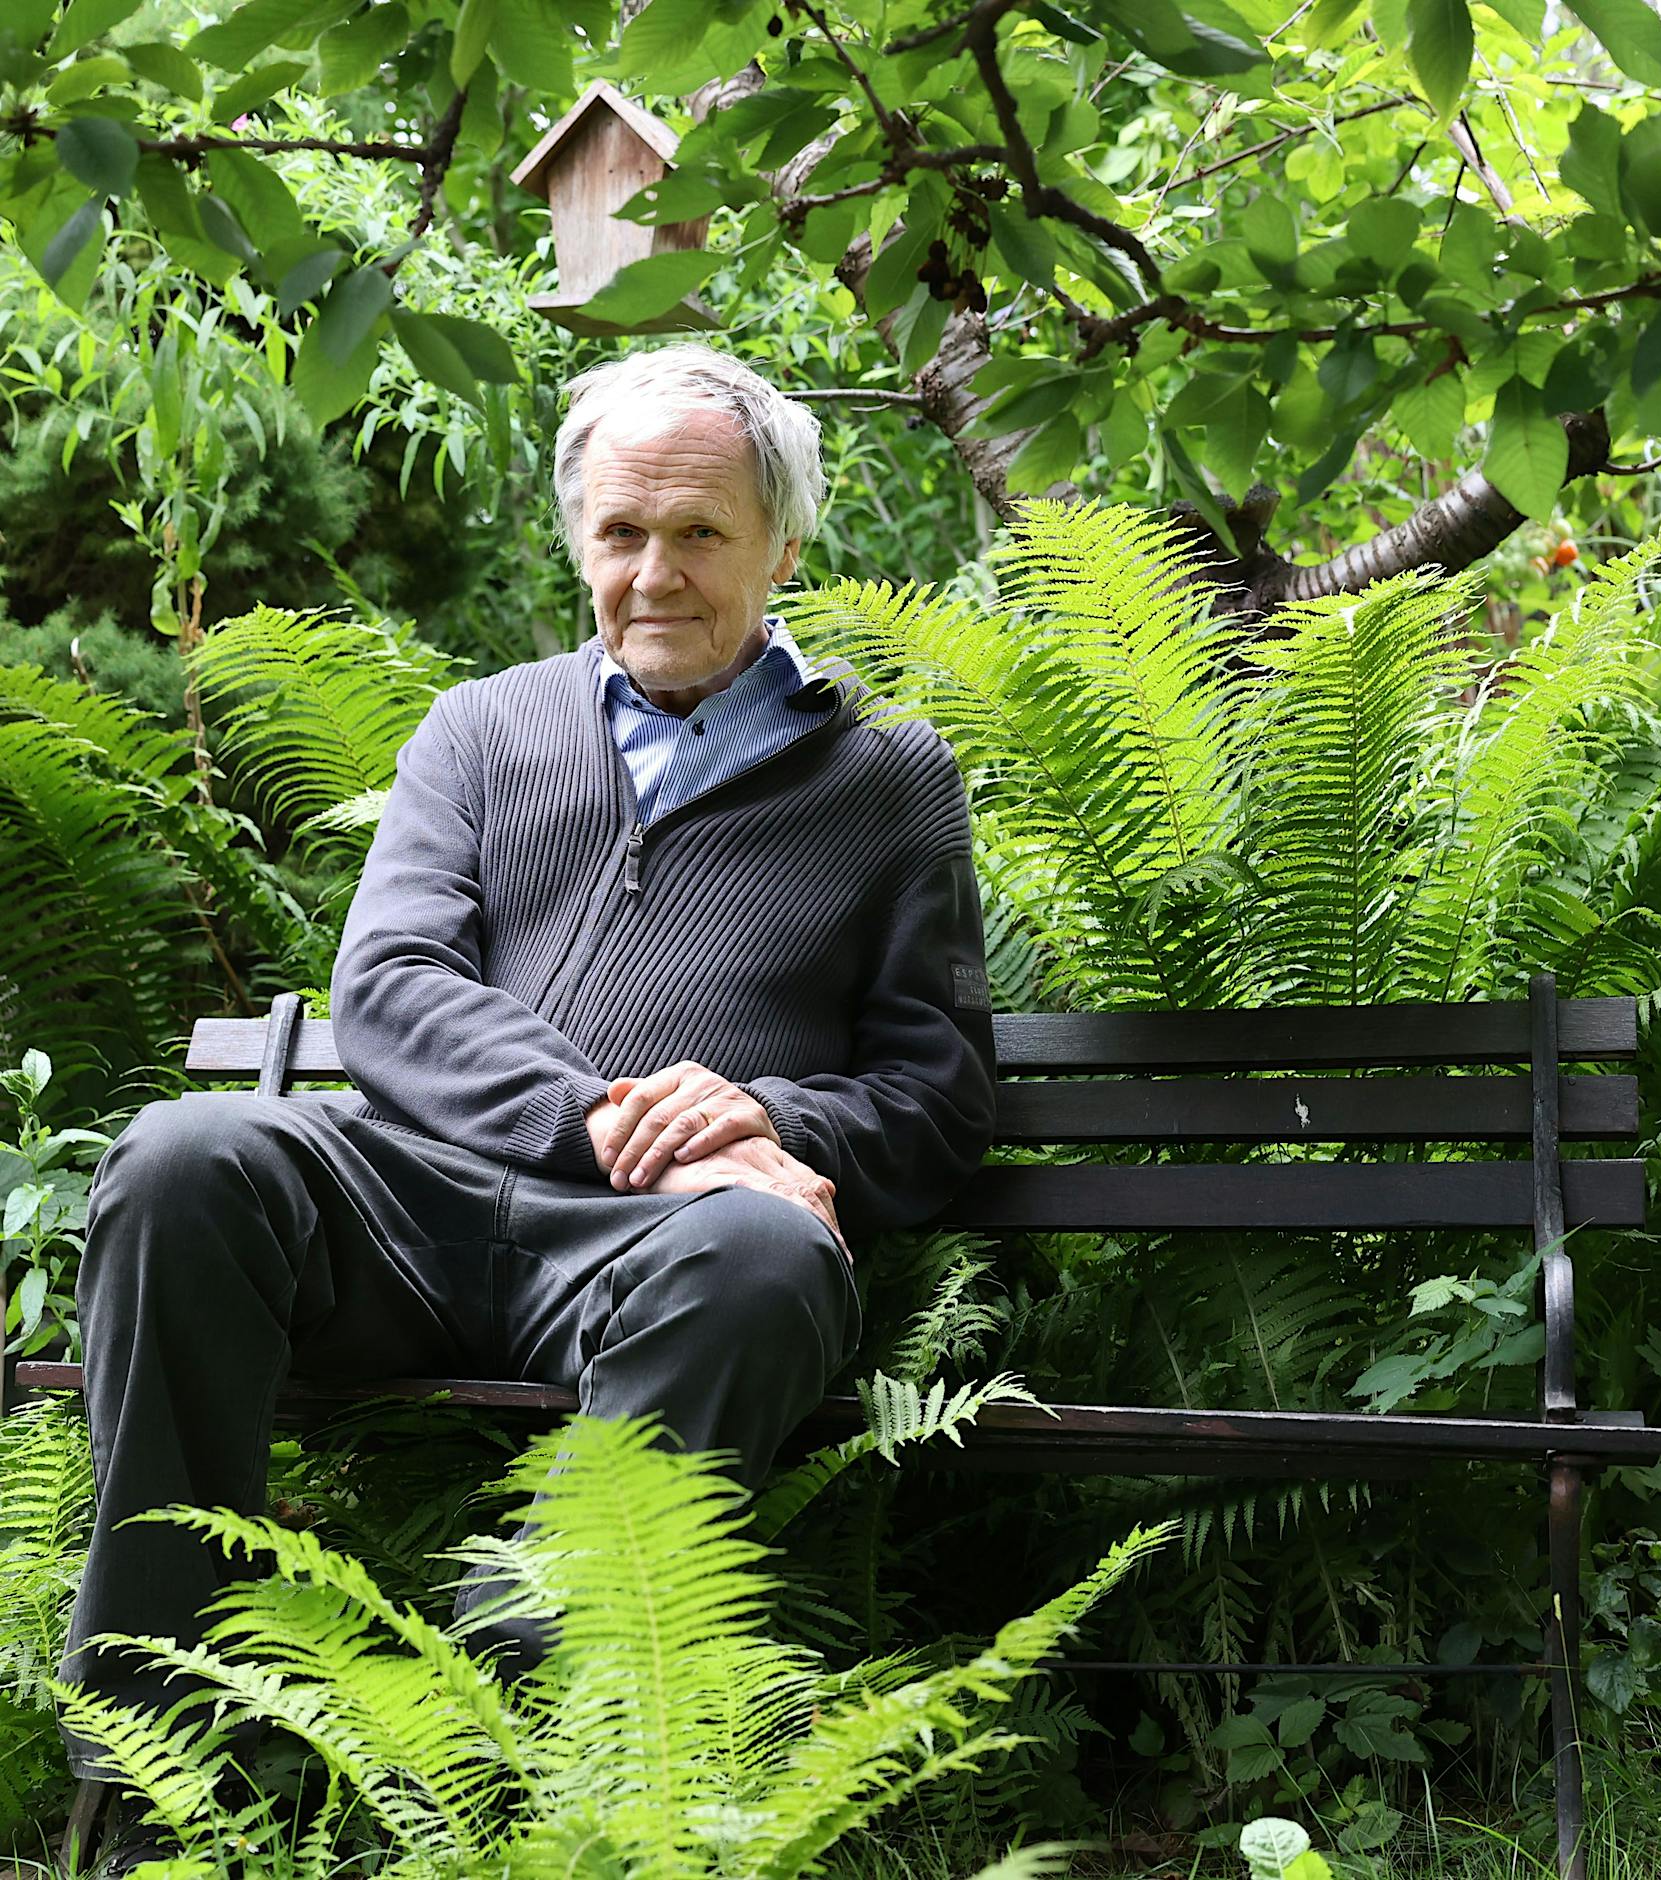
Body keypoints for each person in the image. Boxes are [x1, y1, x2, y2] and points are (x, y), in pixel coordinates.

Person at [57, 343, 999, 1835]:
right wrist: (605, 1115)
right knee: (180, 1158)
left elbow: (937, 1092)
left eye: (699, 533)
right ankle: (157, 1751)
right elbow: (392, 992)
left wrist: (772, 1120)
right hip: (419, 1200)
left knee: (764, 1255)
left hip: (671, 1248)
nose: (656, 573)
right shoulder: (480, 733)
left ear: (783, 547)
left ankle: (511, 1755)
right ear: (578, 542)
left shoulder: (887, 780)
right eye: (622, 534)